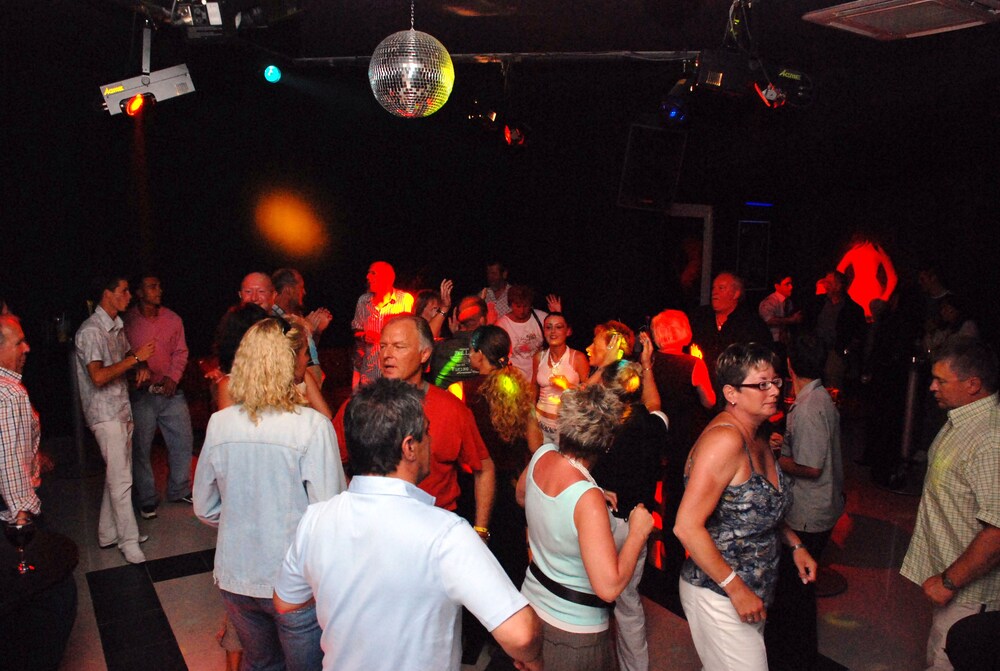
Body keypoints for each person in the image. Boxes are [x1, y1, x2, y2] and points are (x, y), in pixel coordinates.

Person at [273, 379, 543, 671]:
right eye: (426, 433)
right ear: (410, 447)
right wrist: (534, 658)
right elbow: (521, 634)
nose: (431, 441)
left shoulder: (316, 520)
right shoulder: (446, 534)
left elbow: (286, 602)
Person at [193, 317, 347, 671]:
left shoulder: (220, 423)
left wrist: (244, 520)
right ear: (286, 360)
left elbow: (203, 507)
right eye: (304, 353)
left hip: (236, 577)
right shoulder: (312, 427)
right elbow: (330, 516)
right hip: (294, 582)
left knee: (260, 664)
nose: (308, 360)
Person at [674, 342, 817, 671]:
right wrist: (736, 589)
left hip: (754, 591)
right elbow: (686, 526)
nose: (774, 391)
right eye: (761, 384)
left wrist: (795, 544)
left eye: (776, 381)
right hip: (717, 593)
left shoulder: (757, 433)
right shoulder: (724, 441)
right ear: (731, 393)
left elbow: (759, 507)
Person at [518, 384, 655, 671]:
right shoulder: (587, 499)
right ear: (607, 443)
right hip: (573, 632)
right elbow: (609, 588)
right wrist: (638, 533)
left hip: (530, 604)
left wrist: (586, 498)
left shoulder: (542, 455)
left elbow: (522, 495)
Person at [335, 315, 495, 537]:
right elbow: (332, 461)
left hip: (436, 531)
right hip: (374, 532)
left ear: (424, 354)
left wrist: (481, 531)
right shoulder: (359, 406)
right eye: (383, 346)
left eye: (399, 346)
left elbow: (484, 469)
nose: (387, 354)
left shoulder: (451, 409)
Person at [900, 336, 1000, 671]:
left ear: (973, 384)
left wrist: (949, 581)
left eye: (941, 380)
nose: (932, 387)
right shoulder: (963, 421)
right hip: (954, 584)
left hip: (971, 598)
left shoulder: (990, 439)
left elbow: (997, 531)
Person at [765, 333, 845, 671]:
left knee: (794, 594)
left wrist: (776, 458)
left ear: (789, 365)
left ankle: (792, 659)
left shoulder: (809, 406)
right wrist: (786, 443)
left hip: (809, 512)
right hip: (821, 505)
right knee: (797, 593)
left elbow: (811, 468)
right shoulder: (819, 397)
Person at [590, 337, 668, 671]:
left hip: (602, 523)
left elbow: (581, 396)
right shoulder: (653, 425)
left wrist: (603, 366)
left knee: (591, 597)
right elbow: (655, 403)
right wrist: (646, 366)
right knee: (628, 602)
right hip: (638, 523)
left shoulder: (596, 426)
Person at [75, 275, 156, 564]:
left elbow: (123, 361)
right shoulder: (91, 331)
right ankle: (129, 541)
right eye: (123, 290)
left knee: (118, 474)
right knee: (121, 479)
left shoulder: (116, 326)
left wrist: (138, 366)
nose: (129, 296)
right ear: (107, 293)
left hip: (121, 409)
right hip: (104, 414)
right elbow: (98, 376)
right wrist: (136, 360)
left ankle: (108, 533)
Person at [462, 325, 544, 586]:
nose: (469, 355)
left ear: (479, 354)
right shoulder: (519, 387)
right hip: (512, 487)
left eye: (471, 350)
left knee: (478, 563)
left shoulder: (463, 389)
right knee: (511, 559)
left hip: (477, 485)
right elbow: (535, 443)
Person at [649, 308, 716, 585]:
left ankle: (656, 558)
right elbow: (710, 401)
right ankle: (678, 560)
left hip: (657, 433)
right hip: (684, 437)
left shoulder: (649, 361)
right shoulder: (693, 364)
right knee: (680, 496)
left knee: (656, 494)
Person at [123, 274, 194, 520]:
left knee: (183, 441)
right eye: (152, 287)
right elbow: (122, 353)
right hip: (142, 394)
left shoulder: (173, 319)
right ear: (139, 292)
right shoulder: (128, 321)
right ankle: (147, 498)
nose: (158, 290)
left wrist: (173, 378)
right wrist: (136, 367)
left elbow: (181, 352)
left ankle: (179, 489)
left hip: (170, 391)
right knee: (141, 447)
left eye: (159, 286)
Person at [690, 272, 772, 399]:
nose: (714, 292)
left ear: (736, 294)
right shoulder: (700, 317)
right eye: (713, 288)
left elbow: (762, 359)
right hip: (701, 392)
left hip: (736, 392)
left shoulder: (751, 323)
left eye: (721, 288)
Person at [0, 314, 41, 525]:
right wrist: (22, 514)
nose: (27, 348)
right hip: (11, 510)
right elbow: (11, 460)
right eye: (19, 343)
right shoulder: (11, 394)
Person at [350, 261, 414, 388]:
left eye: (373, 273)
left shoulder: (405, 300)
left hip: (396, 373)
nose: (368, 277)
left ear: (388, 278)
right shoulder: (363, 301)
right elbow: (356, 329)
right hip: (370, 373)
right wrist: (363, 336)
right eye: (368, 273)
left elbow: (412, 334)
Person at [532, 312, 589, 444]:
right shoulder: (539, 357)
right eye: (548, 327)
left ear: (568, 331)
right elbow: (533, 386)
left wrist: (567, 386)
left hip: (565, 427)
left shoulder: (577, 358)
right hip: (540, 423)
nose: (553, 332)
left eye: (558, 327)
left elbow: (588, 393)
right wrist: (531, 415)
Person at [272, 267, 333, 386]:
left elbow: (306, 355)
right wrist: (304, 329)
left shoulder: (294, 317)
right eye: (301, 287)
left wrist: (316, 332)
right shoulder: (274, 319)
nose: (304, 292)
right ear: (289, 290)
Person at [496, 285, 559, 383]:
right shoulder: (502, 324)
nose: (522, 310)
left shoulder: (541, 318)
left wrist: (558, 314)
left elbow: (560, 336)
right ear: (511, 305)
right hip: (515, 379)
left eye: (525, 306)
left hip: (540, 377)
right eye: (518, 306)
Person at [427, 295, 487, 389]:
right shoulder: (490, 347)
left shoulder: (440, 347)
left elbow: (424, 340)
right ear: (482, 320)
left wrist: (444, 309)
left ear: (457, 319)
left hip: (444, 398)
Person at [758, 273, 802, 345]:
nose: (791, 287)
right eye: (787, 284)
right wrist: (792, 320)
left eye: (791, 284)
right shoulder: (769, 302)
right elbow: (769, 320)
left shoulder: (788, 302)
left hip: (786, 339)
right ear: (777, 286)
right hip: (772, 340)